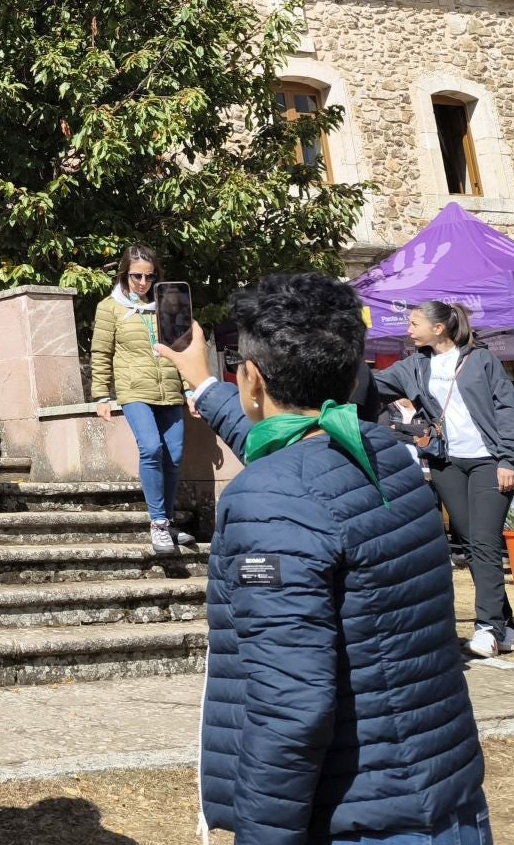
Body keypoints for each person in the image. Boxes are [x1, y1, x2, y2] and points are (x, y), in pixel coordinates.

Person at [159, 277, 490, 845]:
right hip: (439, 799)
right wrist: (205, 383)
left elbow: (290, 706)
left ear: (251, 378)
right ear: (356, 373)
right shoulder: (384, 455)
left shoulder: (274, 496)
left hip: (360, 823)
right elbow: (291, 449)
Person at [376, 300, 514, 658]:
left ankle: (487, 628)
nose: (408, 330)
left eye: (414, 323)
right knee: (471, 544)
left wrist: (508, 458)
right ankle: (505, 625)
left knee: (485, 543)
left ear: (439, 328)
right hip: (447, 462)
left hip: (489, 461)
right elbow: (372, 385)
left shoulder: (481, 360)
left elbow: (508, 409)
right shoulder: (414, 365)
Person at [87, 244, 192, 556]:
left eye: (150, 276)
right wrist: (102, 395)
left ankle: (167, 522)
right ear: (125, 274)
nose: (143, 282)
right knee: (151, 448)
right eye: (137, 276)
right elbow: (101, 352)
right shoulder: (110, 308)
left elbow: (182, 348)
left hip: (169, 390)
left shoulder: (167, 304)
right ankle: (157, 523)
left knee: (174, 456)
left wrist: (190, 389)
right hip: (134, 391)